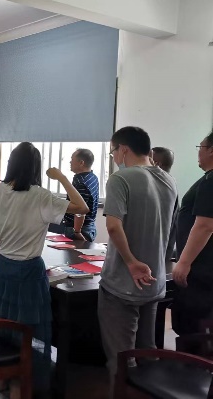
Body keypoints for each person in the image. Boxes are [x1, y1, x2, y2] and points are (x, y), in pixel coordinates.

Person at [0, 142, 89, 398]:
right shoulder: (40, 196)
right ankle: (23, 384)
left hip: (5, 267)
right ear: (36, 168)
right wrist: (62, 177)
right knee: (30, 329)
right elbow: (82, 208)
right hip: (30, 271)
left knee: (4, 326)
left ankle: (1, 385)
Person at [98, 126, 177, 392]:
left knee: (121, 360)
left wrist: (131, 262)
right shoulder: (169, 180)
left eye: (113, 152)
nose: (114, 157)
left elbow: (112, 226)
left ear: (123, 150)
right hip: (154, 283)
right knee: (148, 353)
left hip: (122, 285)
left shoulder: (121, 179)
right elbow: (170, 230)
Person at [171, 130, 213, 335]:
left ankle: (193, 356)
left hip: (201, 270)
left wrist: (184, 262)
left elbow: (205, 225)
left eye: (200, 147)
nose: (199, 152)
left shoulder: (210, 181)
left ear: (211, 150)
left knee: (194, 329)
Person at [49, 149, 99, 242]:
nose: (70, 162)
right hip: (89, 226)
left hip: (78, 228)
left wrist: (77, 232)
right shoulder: (92, 177)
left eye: (72, 159)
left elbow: (80, 210)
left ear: (81, 163)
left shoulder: (80, 182)